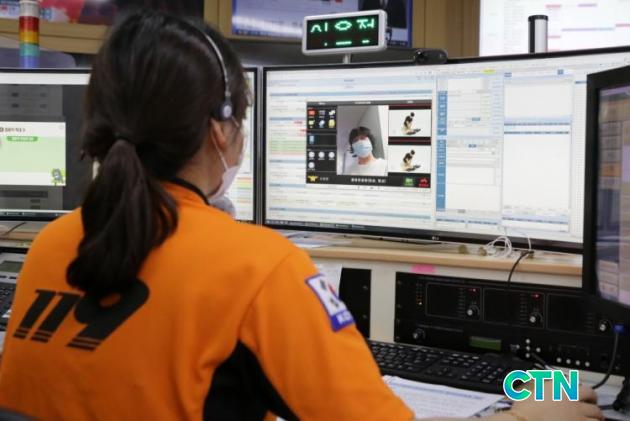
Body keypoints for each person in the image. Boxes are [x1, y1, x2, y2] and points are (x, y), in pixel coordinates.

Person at [0, 10, 603, 421]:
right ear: (220, 130)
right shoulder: (257, 268)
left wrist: (536, 383)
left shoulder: (54, 245)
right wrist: (527, 414)